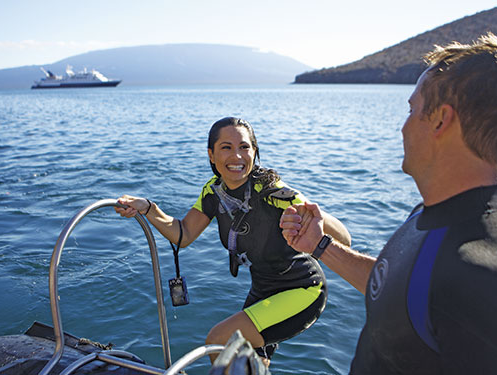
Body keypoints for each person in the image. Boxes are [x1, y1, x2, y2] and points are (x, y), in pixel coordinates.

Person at [280, 33, 497, 374]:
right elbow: (401, 291)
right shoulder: (430, 217)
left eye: (412, 109)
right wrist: (321, 246)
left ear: (440, 120)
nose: (403, 127)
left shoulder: (494, 282)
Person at [115, 116, 351, 364]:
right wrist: (148, 208)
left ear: (254, 152)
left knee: (220, 340)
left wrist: (312, 212)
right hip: (262, 292)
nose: (236, 156)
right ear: (211, 155)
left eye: (244, 147)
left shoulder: (273, 192)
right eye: (226, 147)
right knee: (252, 364)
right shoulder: (213, 192)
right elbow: (182, 234)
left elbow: (344, 239)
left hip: (303, 289)